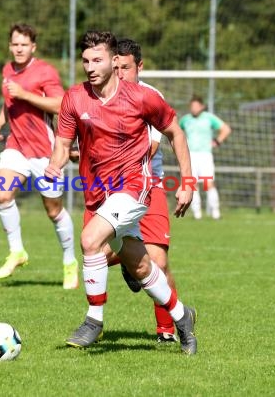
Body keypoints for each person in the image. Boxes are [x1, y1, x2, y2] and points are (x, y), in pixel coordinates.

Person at [45, 31, 198, 354]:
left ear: (114, 61)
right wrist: (54, 165)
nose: (90, 66)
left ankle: (93, 320)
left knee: (90, 241)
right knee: (141, 266)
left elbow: (175, 132)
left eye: (97, 59)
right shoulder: (74, 98)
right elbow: (62, 143)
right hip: (98, 192)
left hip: (135, 186)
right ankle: (182, 317)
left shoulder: (141, 97)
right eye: (85, 61)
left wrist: (187, 182)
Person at [0, 23, 78, 289]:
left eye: (24, 45)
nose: (19, 49)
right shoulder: (7, 70)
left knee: (53, 210)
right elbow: (9, 103)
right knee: (3, 195)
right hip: (16, 145)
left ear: (33, 47)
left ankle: (70, 262)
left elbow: (62, 104)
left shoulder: (44, 71)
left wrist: (25, 94)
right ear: (10, 45)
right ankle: (17, 252)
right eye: (15, 44)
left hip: (45, 150)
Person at [112, 38, 180, 343]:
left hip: (149, 185)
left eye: (125, 67)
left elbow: (151, 147)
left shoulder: (150, 97)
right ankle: (129, 261)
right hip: (113, 189)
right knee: (95, 249)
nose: (120, 73)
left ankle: (167, 328)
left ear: (139, 66)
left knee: (160, 262)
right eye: (115, 67)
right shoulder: (102, 98)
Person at [179, 95, 231, 220]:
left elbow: (226, 129)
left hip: (205, 155)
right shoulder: (185, 120)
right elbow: (176, 134)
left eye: (197, 106)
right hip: (190, 155)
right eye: (192, 106)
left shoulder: (209, 118)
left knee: (208, 183)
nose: (194, 108)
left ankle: (215, 212)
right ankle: (197, 214)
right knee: (192, 184)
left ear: (202, 106)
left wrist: (217, 141)